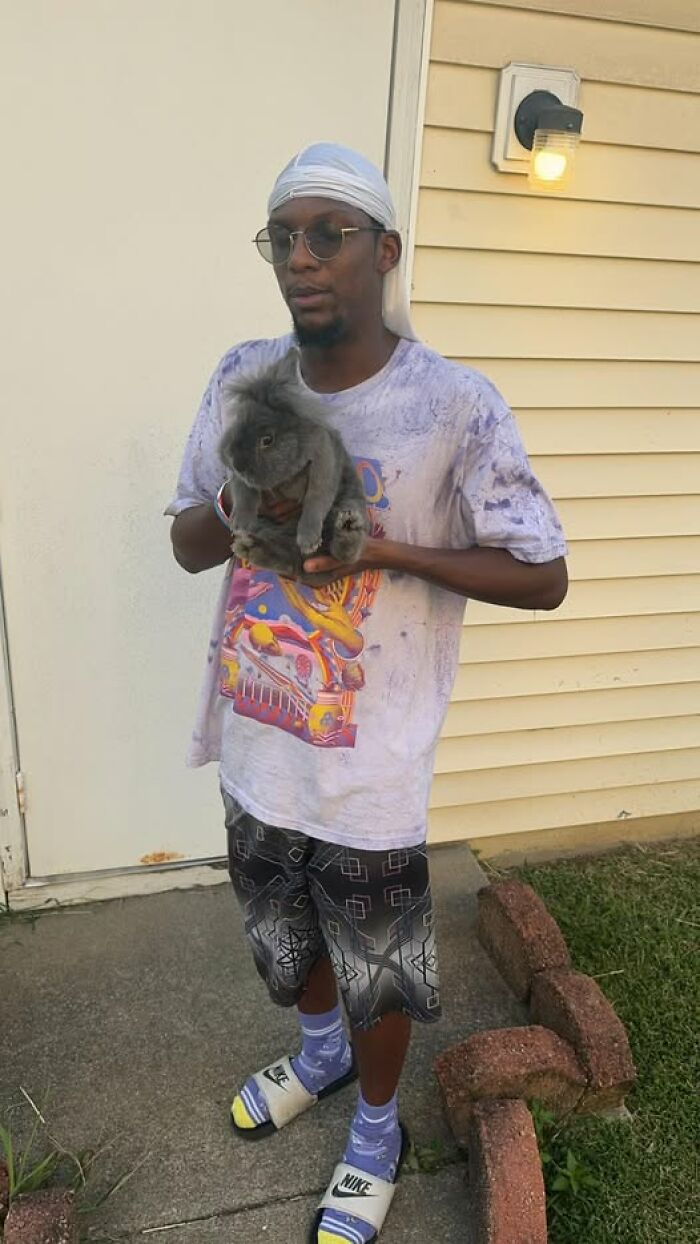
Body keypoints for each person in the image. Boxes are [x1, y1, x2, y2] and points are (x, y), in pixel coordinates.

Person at [167, 142, 568, 1244]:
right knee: (282, 941)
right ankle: (318, 1055)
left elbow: (543, 573)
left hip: (370, 768)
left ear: (383, 250)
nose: (301, 258)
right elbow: (187, 543)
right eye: (281, 236)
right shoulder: (243, 374)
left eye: (327, 234)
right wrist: (242, 500)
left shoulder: (452, 404)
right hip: (258, 742)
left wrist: (386, 549)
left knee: (378, 970)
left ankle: (377, 1127)